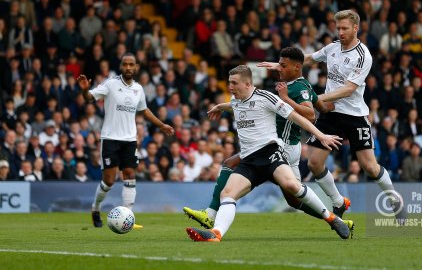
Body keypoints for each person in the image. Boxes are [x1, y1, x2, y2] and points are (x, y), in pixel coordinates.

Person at [258, 10, 406, 223]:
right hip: (331, 114)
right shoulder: (333, 47)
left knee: (370, 167)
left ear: (356, 28)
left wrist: (317, 98)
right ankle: (338, 202)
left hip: (355, 115)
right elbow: (308, 58)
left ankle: (394, 200)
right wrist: (282, 65)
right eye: (338, 28)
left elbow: (349, 89)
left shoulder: (363, 56)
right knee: (314, 163)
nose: (341, 32)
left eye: (345, 28)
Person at [183, 47, 353, 231]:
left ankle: (210, 214)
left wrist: (287, 100)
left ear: (296, 67)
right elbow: (319, 106)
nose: (278, 69)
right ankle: (336, 218)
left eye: (282, 66)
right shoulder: (294, 86)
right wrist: (220, 106)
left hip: (282, 146)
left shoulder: (298, 87)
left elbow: (310, 115)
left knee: (234, 165)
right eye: (278, 65)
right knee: (294, 200)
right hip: (270, 145)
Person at [77, 53, 174, 228]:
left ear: (136, 67)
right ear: (121, 66)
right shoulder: (111, 84)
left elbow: (144, 110)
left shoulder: (138, 89)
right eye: (125, 64)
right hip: (110, 138)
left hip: (129, 140)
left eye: (131, 64)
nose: (128, 67)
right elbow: (88, 98)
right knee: (109, 181)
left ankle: (127, 216)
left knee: (129, 175)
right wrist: (85, 89)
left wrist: (161, 125)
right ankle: (95, 208)